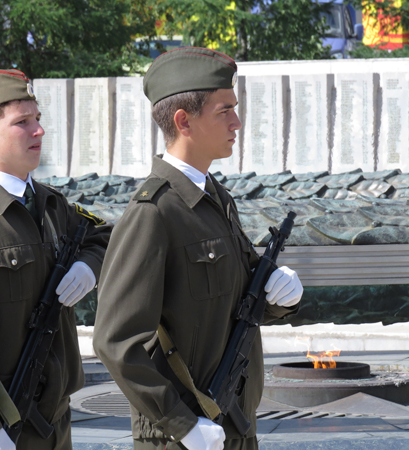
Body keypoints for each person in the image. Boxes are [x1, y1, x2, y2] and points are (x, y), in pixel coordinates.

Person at [93, 48, 303, 450]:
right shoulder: (153, 213)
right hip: (183, 438)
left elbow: (235, 301)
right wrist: (179, 422)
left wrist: (281, 295)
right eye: (224, 110)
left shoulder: (216, 199)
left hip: (236, 426)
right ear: (183, 121)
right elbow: (115, 342)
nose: (236, 122)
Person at [0, 69, 111, 450]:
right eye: (22, 122)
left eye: (38, 119)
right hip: (1, 419)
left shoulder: (52, 204)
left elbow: (103, 236)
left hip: (54, 414)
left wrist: (89, 266)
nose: (39, 131)